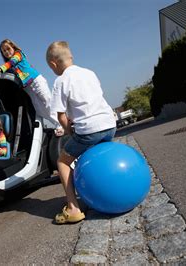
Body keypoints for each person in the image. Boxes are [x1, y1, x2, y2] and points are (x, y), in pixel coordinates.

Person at [46, 41, 117, 224]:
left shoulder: (60, 81)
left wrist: (70, 130)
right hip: (109, 124)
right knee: (102, 157)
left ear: (53, 64)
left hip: (89, 130)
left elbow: (61, 116)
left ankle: (73, 207)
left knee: (62, 161)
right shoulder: (89, 73)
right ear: (71, 57)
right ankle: (111, 191)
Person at [0, 39, 63, 136]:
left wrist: (0, 68)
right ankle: (57, 124)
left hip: (36, 80)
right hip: (27, 87)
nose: (6, 52)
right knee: (39, 109)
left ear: (13, 47)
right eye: (4, 51)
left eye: (8, 49)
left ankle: (62, 124)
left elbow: (12, 62)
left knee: (48, 101)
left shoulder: (19, 54)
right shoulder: (9, 67)